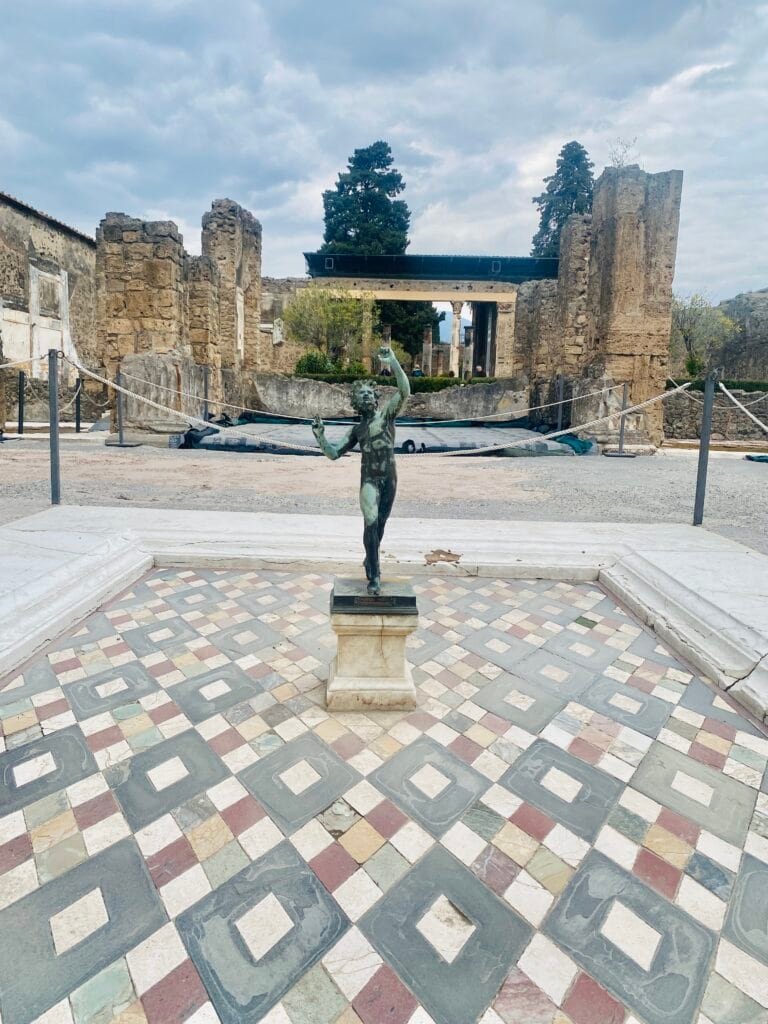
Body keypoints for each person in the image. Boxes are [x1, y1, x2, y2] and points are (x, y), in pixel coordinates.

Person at [312, 346, 410, 596]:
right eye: (361, 394)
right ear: (356, 402)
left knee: (380, 525)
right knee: (371, 522)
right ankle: (375, 576)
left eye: (369, 393)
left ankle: (370, 558)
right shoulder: (356, 430)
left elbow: (404, 391)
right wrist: (320, 437)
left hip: (390, 478)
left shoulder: (386, 416)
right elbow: (334, 453)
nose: (366, 397)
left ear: (375, 398)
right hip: (369, 479)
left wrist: (394, 362)